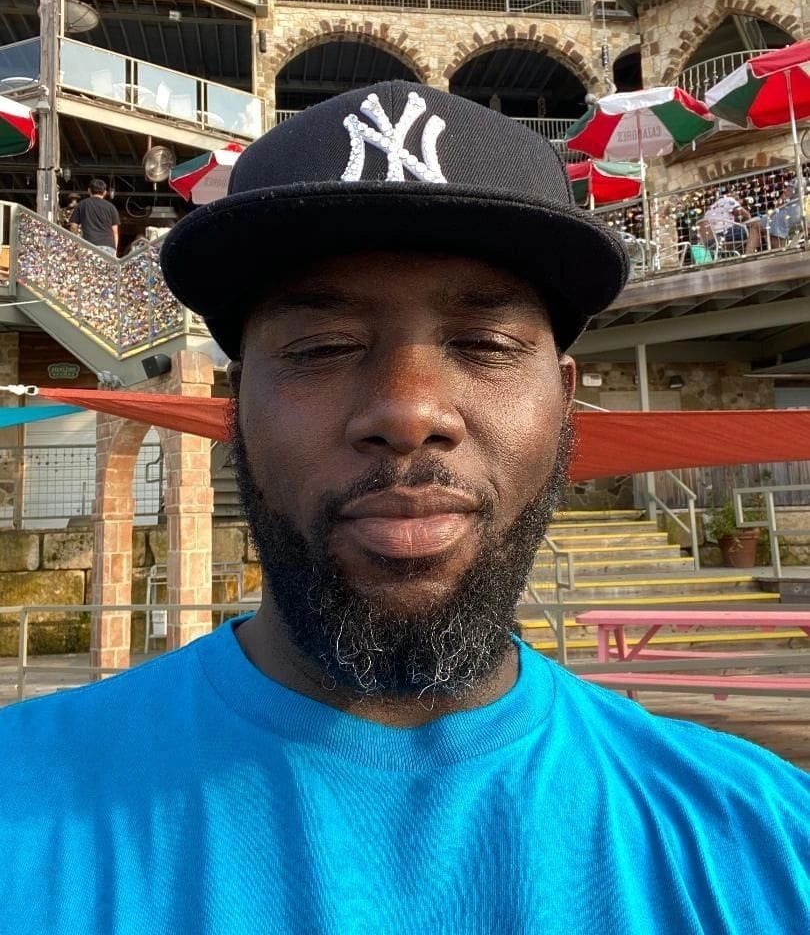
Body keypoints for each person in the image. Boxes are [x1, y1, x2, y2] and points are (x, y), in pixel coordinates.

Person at [0, 83, 807, 934]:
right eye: (323, 347)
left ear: (566, 407)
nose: (409, 411)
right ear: (234, 411)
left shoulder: (767, 843)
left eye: (485, 345)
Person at [745, 180, 805, 254]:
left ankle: (748, 255)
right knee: (769, 227)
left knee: (756, 226)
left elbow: (786, 195)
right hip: (801, 213)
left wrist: (774, 210)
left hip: (790, 213)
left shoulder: (799, 179)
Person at [68, 178, 120, 257]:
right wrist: (114, 250)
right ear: (105, 192)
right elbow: (115, 232)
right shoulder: (111, 207)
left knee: (89, 269)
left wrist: (75, 244)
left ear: (89, 190)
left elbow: (73, 226)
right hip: (108, 247)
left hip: (88, 245)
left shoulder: (82, 205)